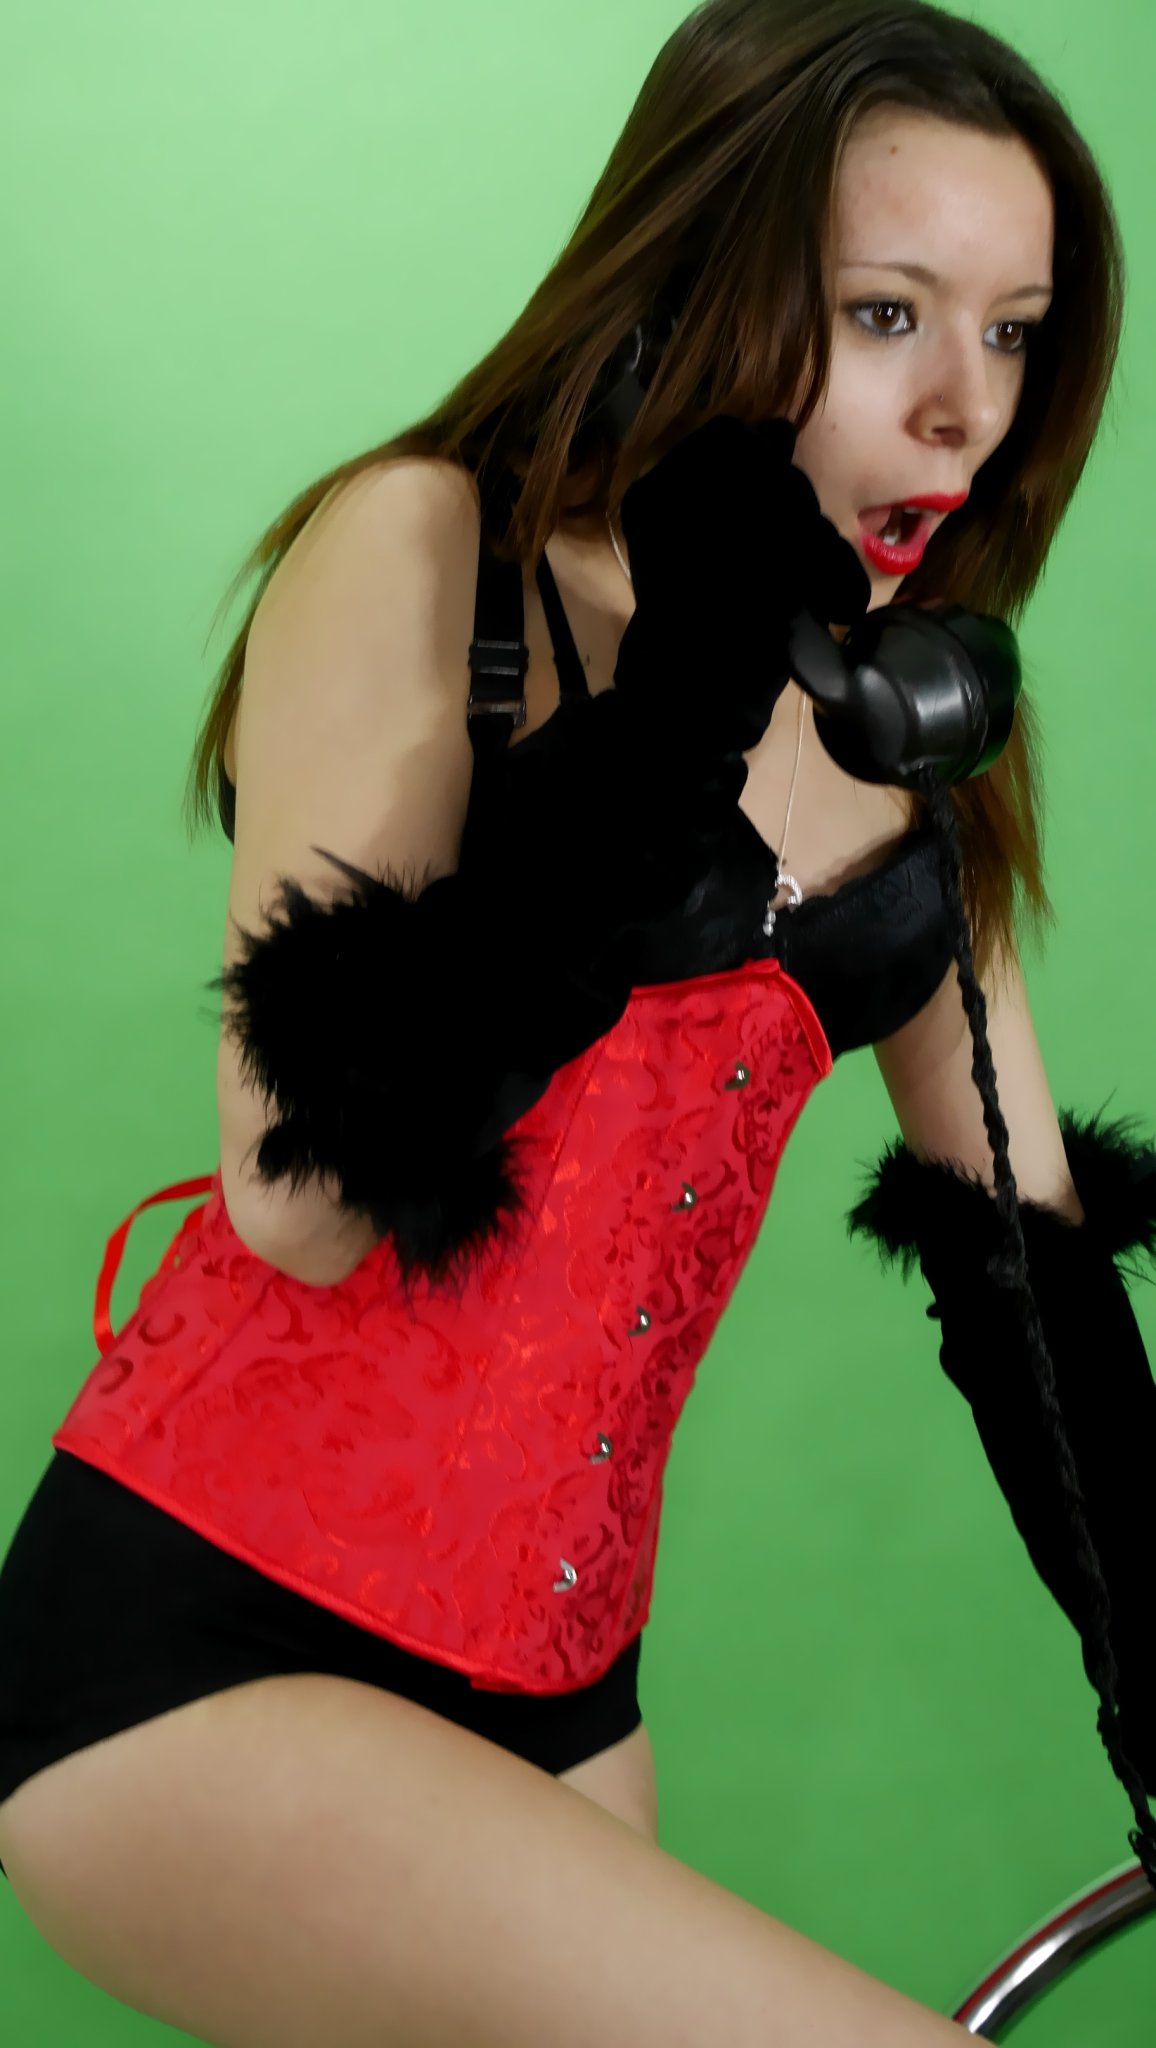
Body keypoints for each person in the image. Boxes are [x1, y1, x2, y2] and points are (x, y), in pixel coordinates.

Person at [1, 2, 1152, 2042]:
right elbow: (298, 1199)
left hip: (557, 1705)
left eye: (1012, 332)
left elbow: (1027, 1280)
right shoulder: (428, 550)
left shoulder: (907, 720)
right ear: (697, 288)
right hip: (206, 1648)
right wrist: (674, 709)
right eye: (886, 315)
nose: (962, 409)